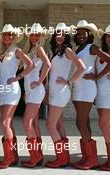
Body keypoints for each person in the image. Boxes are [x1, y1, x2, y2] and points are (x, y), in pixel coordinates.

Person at [45, 23, 85, 168]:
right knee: (58, 124)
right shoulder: (57, 51)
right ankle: (64, 157)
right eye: (57, 34)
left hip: (61, 92)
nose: (59, 36)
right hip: (55, 91)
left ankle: (61, 158)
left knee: (50, 125)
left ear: (66, 36)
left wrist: (69, 81)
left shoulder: (68, 50)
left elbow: (81, 67)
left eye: (62, 34)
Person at [71, 20, 110, 170]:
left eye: (84, 33)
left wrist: (97, 76)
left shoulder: (91, 47)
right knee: (83, 122)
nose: (81, 36)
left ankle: (91, 159)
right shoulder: (80, 48)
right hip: (81, 87)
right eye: (79, 33)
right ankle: (87, 157)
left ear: (89, 35)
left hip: (87, 87)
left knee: (81, 123)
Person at [0, 24, 33, 169]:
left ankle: (9, 158)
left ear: (14, 37)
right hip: (2, 89)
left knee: (4, 122)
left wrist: (18, 78)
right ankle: (13, 156)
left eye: (10, 35)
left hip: (12, 89)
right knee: (7, 123)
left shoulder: (17, 50)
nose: (7, 37)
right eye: (5, 35)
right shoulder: (1, 52)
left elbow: (30, 65)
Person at [21, 23, 51, 168]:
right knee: (34, 124)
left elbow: (48, 65)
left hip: (36, 90)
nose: (34, 37)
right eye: (32, 34)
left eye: (37, 34)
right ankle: (38, 156)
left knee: (27, 122)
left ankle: (35, 157)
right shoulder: (30, 49)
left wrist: (39, 81)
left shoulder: (39, 49)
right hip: (30, 91)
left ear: (41, 37)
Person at [93, 24, 110, 171]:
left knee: (103, 125)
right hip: (100, 93)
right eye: (108, 36)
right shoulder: (101, 52)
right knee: (106, 126)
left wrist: (98, 76)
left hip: (109, 94)